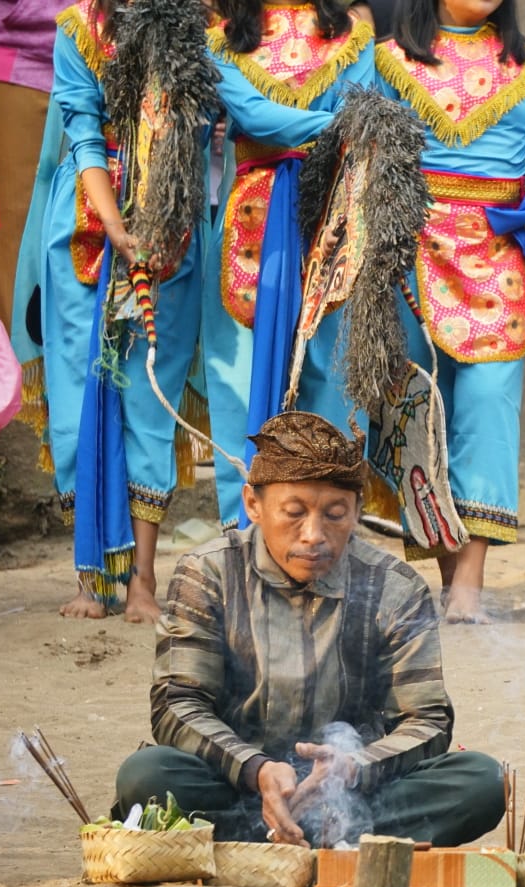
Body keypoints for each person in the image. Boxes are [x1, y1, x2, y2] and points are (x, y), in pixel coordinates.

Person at [114, 411, 503, 847]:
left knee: (480, 781)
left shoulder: (395, 587)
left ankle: (290, 837)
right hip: (237, 784)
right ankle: (328, 841)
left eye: (335, 514)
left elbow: (427, 718)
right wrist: (256, 769)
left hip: (355, 793)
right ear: (253, 505)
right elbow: (178, 703)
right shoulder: (209, 575)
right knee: (147, 777)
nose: (314, 534)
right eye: (294, 513)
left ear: (358, 511)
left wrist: (352, 766)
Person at [376, 0, 525, 623]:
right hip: (410, 248)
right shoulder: (386, 59)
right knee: (419, 407)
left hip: (497, 251)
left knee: (490, 412)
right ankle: (445, 572)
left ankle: (469, 584)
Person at [13, 0, 207, 622]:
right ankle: (89, 578)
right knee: (77, 402)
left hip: (169, 221)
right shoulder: (79, 29)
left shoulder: (199, 27)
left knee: (151, 402)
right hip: (84, 228)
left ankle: (144, 580)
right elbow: (84, 131)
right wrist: (117, 225)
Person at [204, 0, 376, 529]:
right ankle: (245, 538)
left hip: (336, 214)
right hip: (253, 216)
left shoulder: (353, 32)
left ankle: (330, 536)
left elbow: (362, 111)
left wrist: (348, 127)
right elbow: (253, 115)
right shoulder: (221, 35)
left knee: (331, 375)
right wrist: (337, 125)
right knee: (240, 379)